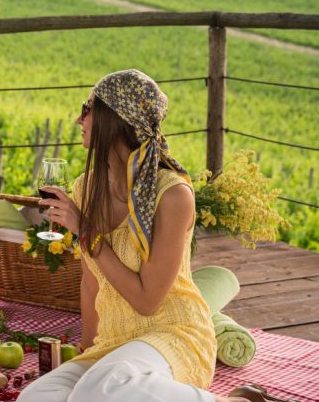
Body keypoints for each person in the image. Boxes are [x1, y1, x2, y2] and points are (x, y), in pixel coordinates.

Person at [19, 69, 230, 402]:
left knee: (102, 386)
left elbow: (148, 302)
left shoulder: (172, 195)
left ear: (113, 118)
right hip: (114, 345)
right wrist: (88, 346)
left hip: (172, 333)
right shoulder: (85, 188)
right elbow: (91, 282)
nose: (79, 119)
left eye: (87, 109)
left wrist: (86, 232)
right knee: (36, 397)